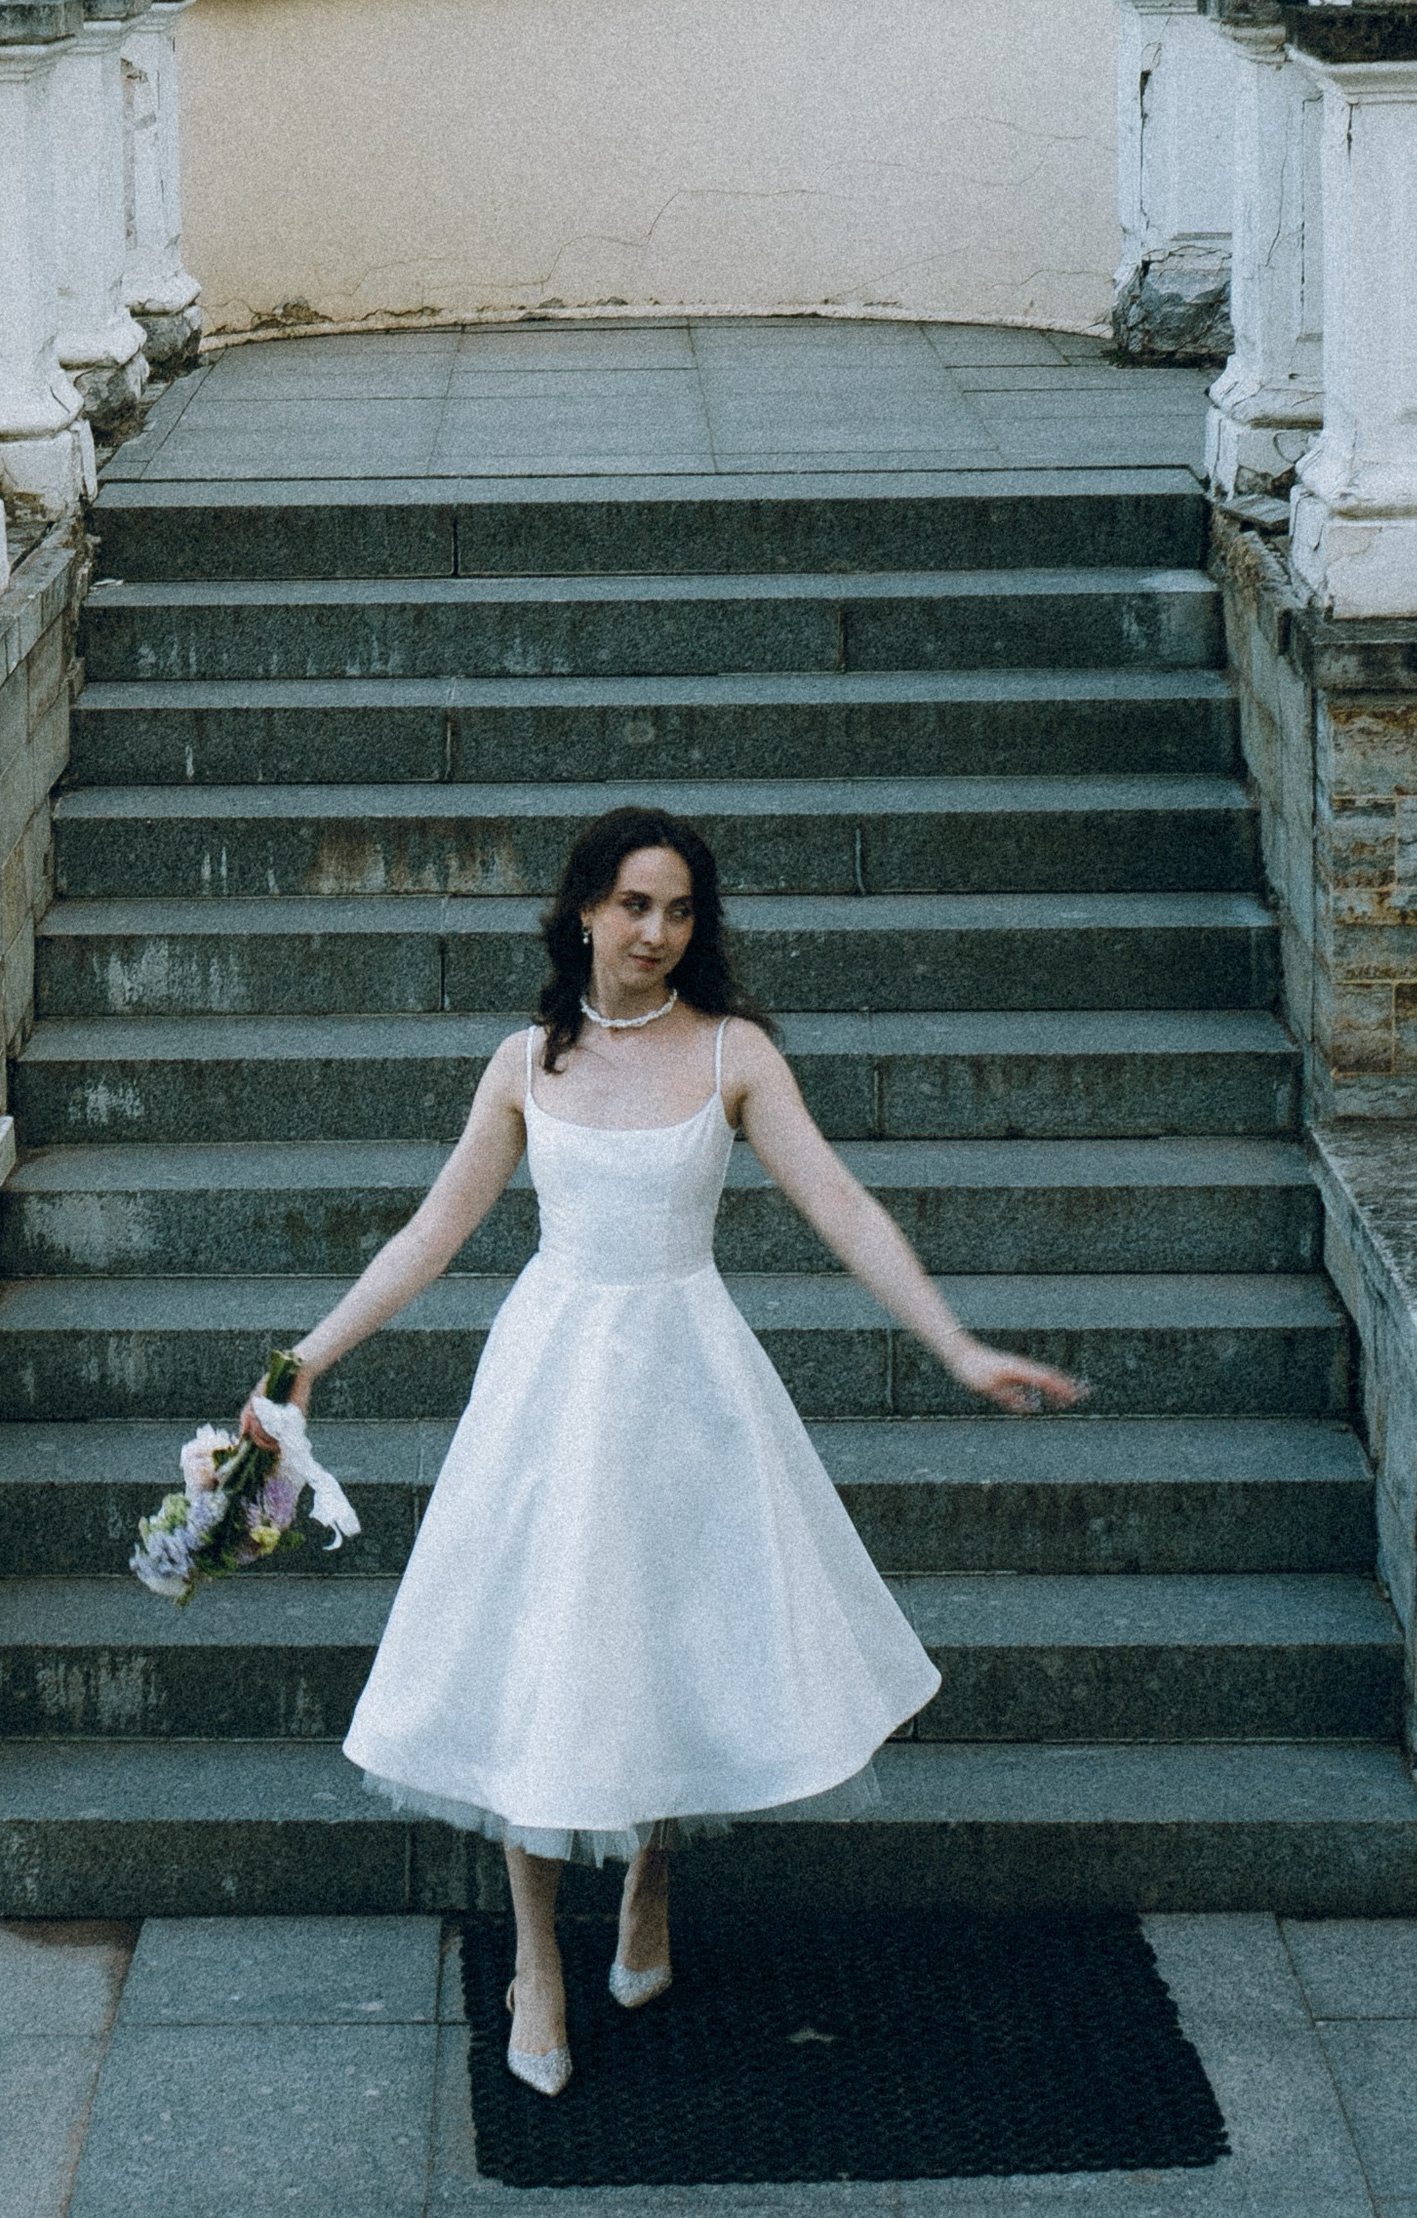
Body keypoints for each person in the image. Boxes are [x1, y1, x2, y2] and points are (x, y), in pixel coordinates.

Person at [244, 806, 1082, 2096]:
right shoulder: (525, 1066)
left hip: (690, 1383)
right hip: (552, 1390)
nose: (657, 932)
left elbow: (841, 1203)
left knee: (673, 1638)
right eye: (636, 904)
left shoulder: (735, 1054)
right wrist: (305, 1359)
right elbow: (429, 1234)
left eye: (680, 909)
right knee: (543, 1657)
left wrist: (958, 1348)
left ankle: (649, 1872)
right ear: (584, 909)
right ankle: (538, 1961)